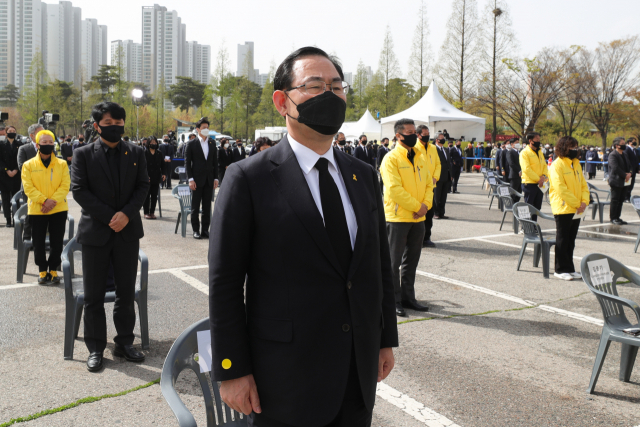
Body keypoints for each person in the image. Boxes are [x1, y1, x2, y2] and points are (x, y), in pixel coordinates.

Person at [209, 46, 397, 427]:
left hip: (356, 371)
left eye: (336, 86)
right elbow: (226, 282)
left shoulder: (363, 175)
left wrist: (384, 337)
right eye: (314, 85)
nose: (329, 95)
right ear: (282, 101)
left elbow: (377, 264)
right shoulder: (249, 178)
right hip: (285, 376)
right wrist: (231, 369)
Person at [70, 101, 150, 372]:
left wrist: (126, 214)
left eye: (119, 124)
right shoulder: (83, 154)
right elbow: (79, 190)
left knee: (125, 293)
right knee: (93, 295)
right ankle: (95, 348)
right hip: (96, 234)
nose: (115, 129)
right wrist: (109, 216)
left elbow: (143, 185)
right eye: (108, 125)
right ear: (96, 126)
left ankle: (125, 342)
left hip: (127, 233)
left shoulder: (136, 152)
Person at [381, 118, 433, 318]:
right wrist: (416, 206)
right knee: (393, 263)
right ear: (398, 135)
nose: (415, 136)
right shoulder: (391, 158)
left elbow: (429, 184)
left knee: (412, 261)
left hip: (418, 218)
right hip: (398, 218)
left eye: (415, 132)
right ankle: (393, 300)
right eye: (410, 132)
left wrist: (425, 206)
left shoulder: (420, 156)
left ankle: (408, 297)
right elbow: (394, 190)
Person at [21, 130, 70, 284]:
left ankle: (54, 269)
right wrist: (44, 201)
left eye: (51, 142)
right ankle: (42, 270)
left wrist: (52, 201)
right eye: (45, 142)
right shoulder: (28, 165)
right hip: (37, 209)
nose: (48, 145)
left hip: (58, 208)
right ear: (37, 145)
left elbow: (65, 185)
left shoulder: (62, 164)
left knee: (57, 240)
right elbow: (28, 188)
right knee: (38, 241)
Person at [548, 136, 589, 281]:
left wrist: (584, 201)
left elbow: (584, 185)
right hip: (564, 207)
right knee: (562, 239)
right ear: (563, 148)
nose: (575, 150)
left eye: (576, 147)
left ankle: (569, 268)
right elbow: (560, 188)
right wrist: (577, 203)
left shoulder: (576, 164)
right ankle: (560, 269)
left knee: (571, 240)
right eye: (571, 147)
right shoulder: (557, 165)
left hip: (577, 208)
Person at [185, 118, 219, 239]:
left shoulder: (212, 143)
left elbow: (215, 162)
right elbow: (187, 163)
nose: (206, 129)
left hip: (209, 180)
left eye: (207, 127)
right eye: (204, 127)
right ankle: (196, 230)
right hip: (196, 181)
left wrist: (216, 178)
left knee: (207, 207)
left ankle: (205, 230)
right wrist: (190, 180)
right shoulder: (191, 144)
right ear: (198, 129)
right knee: (195, 207)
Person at [414, 126, 439, 248]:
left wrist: (436, 177)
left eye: (428, 133)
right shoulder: (414, 147)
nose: (427, 136)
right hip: (419, 185)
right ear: (418, 135)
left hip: (431, 186)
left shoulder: (433, 148)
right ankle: (417, 239)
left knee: (429, 213)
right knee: (419, 211)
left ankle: (427, 237)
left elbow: (438, 164)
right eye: (424, 134)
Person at [519, 132, 548, 221]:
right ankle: (525, 227)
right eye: (537, 140)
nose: (539, 141)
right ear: (530, 140)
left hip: (540, 184)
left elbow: (544, 166)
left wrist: (543, 176)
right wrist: (538, 179)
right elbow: (526, 169)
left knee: (537, 207)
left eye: (539, 140)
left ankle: (534, 225)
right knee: (528, 206)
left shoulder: (540, 152)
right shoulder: (525, 152)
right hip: (529, 183)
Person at [0, 124, 23, 227]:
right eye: (10, 130)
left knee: (16, 199)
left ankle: (15, 219)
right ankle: (8, 220)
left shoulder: (20, 144)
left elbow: (21, 159)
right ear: (6, 132)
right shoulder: (1, 144)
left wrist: (16, 170)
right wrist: (7, 170)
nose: (12, 132)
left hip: (16, 175)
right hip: (4, 176)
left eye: (14, 130)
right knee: (5, 199)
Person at [608, 137, 632, 225]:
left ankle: (618, 217)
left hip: (625, 181)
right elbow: (615, 168)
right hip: (616, 181)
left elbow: (629, 165)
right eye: (622, 143)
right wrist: (625, 175)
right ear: (617, 145)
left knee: (621, 200)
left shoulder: (624, 154)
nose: (624, 144)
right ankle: (613, 218)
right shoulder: (613, 155)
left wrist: (629, 173)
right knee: (615, 200)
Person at [143, 136, 165, 219]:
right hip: (146, 178)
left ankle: (152, 212)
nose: (153, 144)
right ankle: (146, 212)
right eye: (152, 143)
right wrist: (144, 176)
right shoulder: (144, 152)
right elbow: (141, 166)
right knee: (146, 196)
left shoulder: (159, 153)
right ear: (148, 143)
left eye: (155, 143)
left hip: (156, 178)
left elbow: (163, 165)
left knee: (154, 196)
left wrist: (164, 173)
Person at [433, 134, 451, 219]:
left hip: (446, 176)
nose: (443, 140)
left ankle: (441, 212)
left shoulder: (446, 149)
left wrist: (451, 174)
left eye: (444, 138)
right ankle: (435, 212)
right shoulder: (433, 149)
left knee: (444, 196)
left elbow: (449, 162)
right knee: (436, 196)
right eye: (441, 138)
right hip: (437, 177)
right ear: (437, 140)